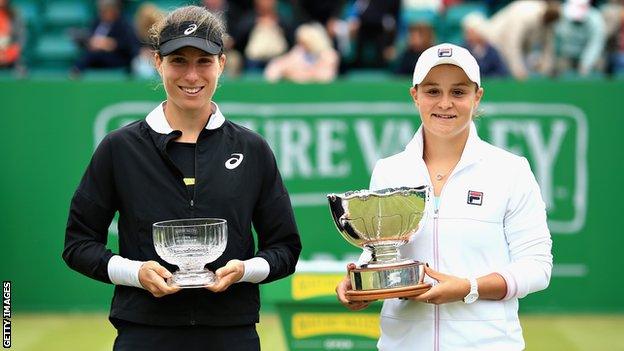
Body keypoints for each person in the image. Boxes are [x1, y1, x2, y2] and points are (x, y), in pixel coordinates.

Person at [63, 5, 301, 351]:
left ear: (222, 63)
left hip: (231, 332)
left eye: (203, 61)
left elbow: (285, 248)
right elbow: (78, 245)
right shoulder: (120, 148)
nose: (191, 76)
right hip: (144, 332)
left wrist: (244, 270)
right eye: (178, 61)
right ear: (157, 62)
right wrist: (136, 274)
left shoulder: (252, 148)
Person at [336, 43, 552, 350]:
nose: (445, 103)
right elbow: (383, 253)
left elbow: (537, 267)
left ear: (477, 97)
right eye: (433, 91)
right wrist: (361, 284)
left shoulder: (511, 170)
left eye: (459, 92)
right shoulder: (389, 170)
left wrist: (469, 287)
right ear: (415, 96)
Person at [72, 0, 139, 75]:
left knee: (93, 55)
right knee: (89, 54)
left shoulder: (123, 24)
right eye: (101, 11)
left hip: (116, 57)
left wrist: (109, 44)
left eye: (105, 11)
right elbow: (90, 37)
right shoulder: (96, 22)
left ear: (114, 11)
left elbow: (128, 45)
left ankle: (76, 72)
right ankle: (76, 71)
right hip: (96, 55)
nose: (101, 13)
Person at [264, 22, 339, 83]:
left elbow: (324, 77)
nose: (301, 45)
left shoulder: (329, 56)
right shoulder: (297, 52)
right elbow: (274, 69)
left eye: (304, 42)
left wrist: (294, 74)